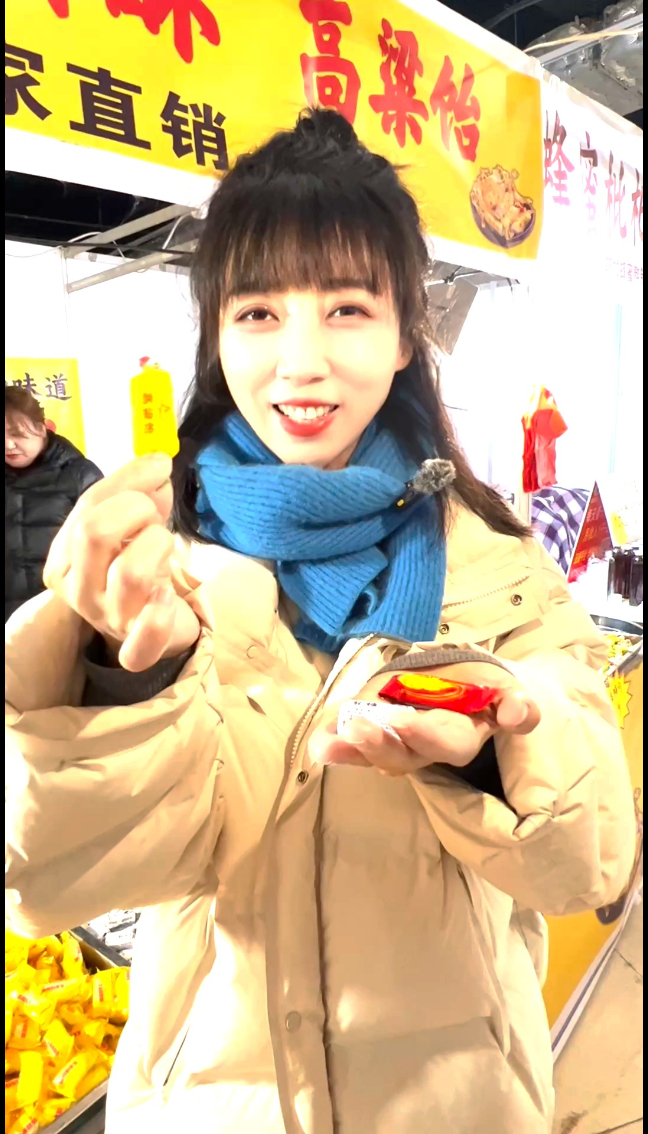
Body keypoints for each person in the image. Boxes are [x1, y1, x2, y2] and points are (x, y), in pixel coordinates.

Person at [5, 111, 635, 1134]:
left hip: (455, 1102)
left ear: (404, 335)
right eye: (259, 312)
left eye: (347, 308)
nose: (301, 363)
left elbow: (592, 862)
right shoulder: (161, 566)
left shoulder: (497, 558)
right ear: (216, 336)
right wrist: (125, 678)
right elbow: (46, 880)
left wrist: (492, 751)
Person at [5, 385, 103, 622]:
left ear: (42, 428)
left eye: (16, 434)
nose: (8, 445)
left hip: (62, 616)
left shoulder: (80, 475)